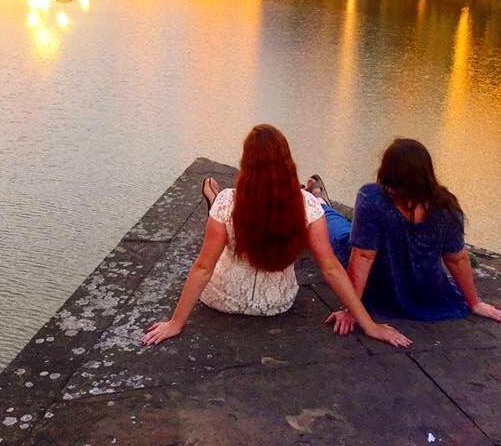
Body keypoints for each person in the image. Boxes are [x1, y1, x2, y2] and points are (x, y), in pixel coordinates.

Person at [141, 124, 412, 348]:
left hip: (223, 298)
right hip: (275, 303)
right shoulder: (307, 205)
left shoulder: (229, 201)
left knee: (222, 227)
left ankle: (210, 204)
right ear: (287, 163)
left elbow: (203, 267)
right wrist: (369, 325)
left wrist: (175, 323)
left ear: (246, 163)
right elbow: (330, 268)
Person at [327, 138, 501, 336]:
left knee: (335, 227)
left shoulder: (371, 197)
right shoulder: (446, 205)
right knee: (336, 225)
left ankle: (316, 200)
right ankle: (317, 200)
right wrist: (474, 303)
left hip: (376, 280)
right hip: (416, 286)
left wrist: (351, 311)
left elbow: (363, 255)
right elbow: (456, 258)